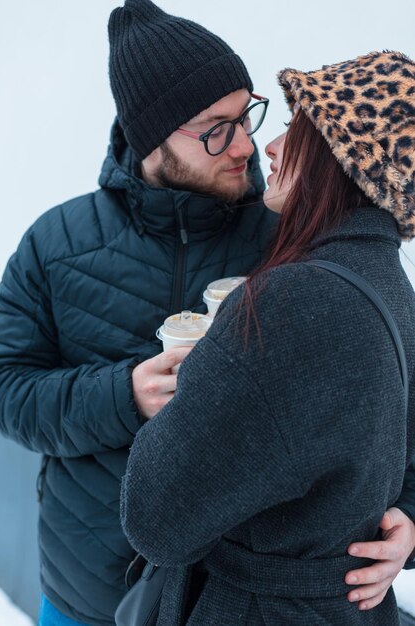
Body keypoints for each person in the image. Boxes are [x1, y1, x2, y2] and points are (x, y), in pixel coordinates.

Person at [0, 0, 411, 619]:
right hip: (82, 589)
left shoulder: (290, 240)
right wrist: (122, 396)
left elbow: (384, 398)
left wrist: (409, 510)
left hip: (210, 601)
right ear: (152, 134)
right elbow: (8, 389)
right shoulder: (56, 244)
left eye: (247, 116)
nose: (245, 143)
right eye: (216, 127)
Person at [120, 50, 415, 625]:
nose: (269, 148)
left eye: (295, 130)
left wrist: (206, 371)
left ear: (345, 157)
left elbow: (155, 519)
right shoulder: (391, 286)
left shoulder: (296, 301)